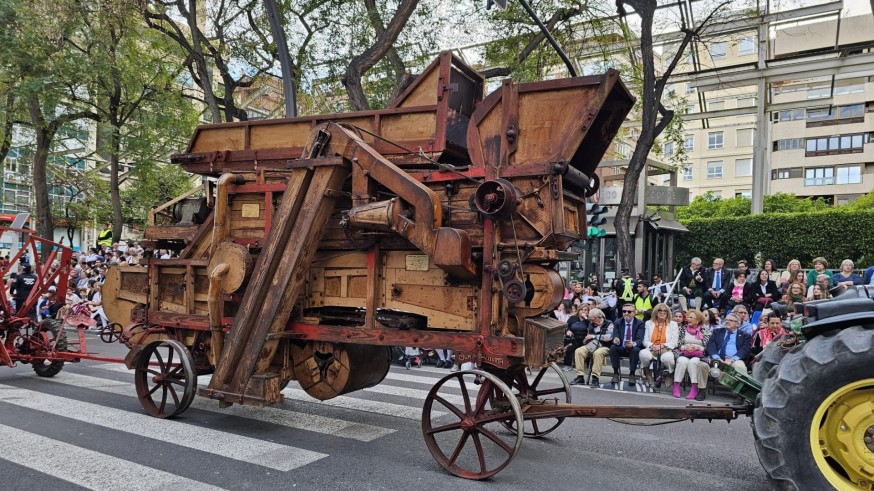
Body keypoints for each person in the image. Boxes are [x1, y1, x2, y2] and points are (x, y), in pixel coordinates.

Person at [693, 312, 752, 402]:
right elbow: (711, 346)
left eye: (731, 320)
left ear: (737, 324)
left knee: (740, 367)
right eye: (726, 320)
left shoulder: (745, 335)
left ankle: (740, 394)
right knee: (702, 365)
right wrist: (717, 358)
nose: (727, 322)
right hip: (717, 359)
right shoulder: (717, 332)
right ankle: (702, 390)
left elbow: (745, 350)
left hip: (734, 359)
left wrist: (732, 360)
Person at [673, 309, 712, 399]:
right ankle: (676, 384)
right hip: (684, 352)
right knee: (681, 361)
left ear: (698, 320)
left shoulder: (705, 331)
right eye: (687, 317)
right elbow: (678, 343)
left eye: (691, 317)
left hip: (699, 354)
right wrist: (685, 347)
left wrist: (698, 348)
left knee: (693, 362)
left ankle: (694, 387)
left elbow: (707, 347)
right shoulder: (683, 329)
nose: (688, 319)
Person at [570, 308, 613, 387]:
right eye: (590, 319)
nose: (591, 321)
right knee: (579, 351)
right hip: (592, 345)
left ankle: (595, 378)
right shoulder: (591, 324)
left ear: (599, 317)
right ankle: (580, 377)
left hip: (605, 346)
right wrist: (586, 340)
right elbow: (589, 335)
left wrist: (593, 336)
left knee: (598, 353)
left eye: (593, 319)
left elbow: (609, 337)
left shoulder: (609, 324)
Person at [638, 303, 679, 387]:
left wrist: (662, 346)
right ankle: (647, 372)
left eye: (665, 311)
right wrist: (652, 345)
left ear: (668, 313)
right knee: (643, 354)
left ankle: (671, 373)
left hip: (665, 348)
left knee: (668, 358)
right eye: (660, 310)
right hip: (652, 348)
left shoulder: (673, 324)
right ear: (656, 312)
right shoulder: (648, 323)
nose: (662, 312)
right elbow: (645, 340)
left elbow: (674, 342)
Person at [610, 304, 645, 384]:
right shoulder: (618, 322)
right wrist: (616, 339)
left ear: (634, 313)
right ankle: (615, 373)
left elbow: (640, 339)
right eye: (624, 311)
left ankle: (632, 374)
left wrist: (633, 344)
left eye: (629, 311)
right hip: (621, 346)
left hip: (633, 347)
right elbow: (615, 335)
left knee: (636, 350)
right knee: (613, 347)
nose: (626, 313)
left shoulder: (640, 323)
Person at [564, 304, 589, 370]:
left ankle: (585, 365)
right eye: (581, 310)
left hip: (584, 339)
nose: (583, 311)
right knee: (568, 346)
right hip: (573, 338)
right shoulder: (572, 318)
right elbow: (566, 326)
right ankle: (567, 365)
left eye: (585, 310)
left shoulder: (589, 319)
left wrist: (585, 318)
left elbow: (590, 327)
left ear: (588, 312)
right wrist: (568, 331)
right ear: (578, 310)